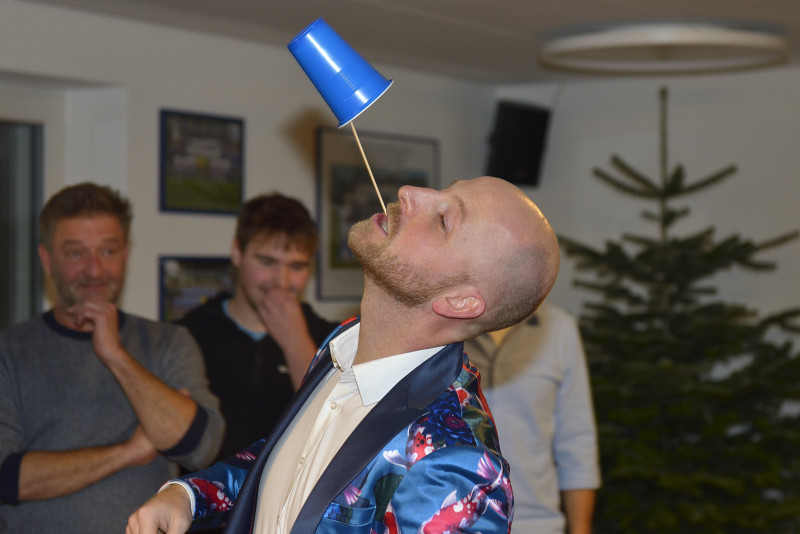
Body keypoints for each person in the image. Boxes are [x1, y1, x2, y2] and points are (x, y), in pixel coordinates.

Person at [127, 176, 561, 534]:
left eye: (444, 220)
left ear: (460, 302)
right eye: (442, 190)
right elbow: (292, 463)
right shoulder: (343, 342)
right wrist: (189, 496)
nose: (410, 192)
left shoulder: (455, 464)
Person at [0, 182, 224, 534]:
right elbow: (6, 478)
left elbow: (201, 447)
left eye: (108, 251)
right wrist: (129, 451)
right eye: (76, 253)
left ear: (126, 253)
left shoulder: (168, 342)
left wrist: (115, 354)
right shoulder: (9, 351)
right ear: (47, 260)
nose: (94, 269)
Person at [176, 193, 339, 463]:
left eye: (297, 266)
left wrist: (296, 341)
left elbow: (335, 432)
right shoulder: (189, 334)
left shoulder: (332, 339)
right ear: (237, 253)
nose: (281, 281)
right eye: (267, 262)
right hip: (209, 487)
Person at [464, 301, 601, 534]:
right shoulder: (443, 326)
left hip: (537, 524)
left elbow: (577, 442)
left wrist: (580, 529)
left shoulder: (559, 327)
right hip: (454, 520)